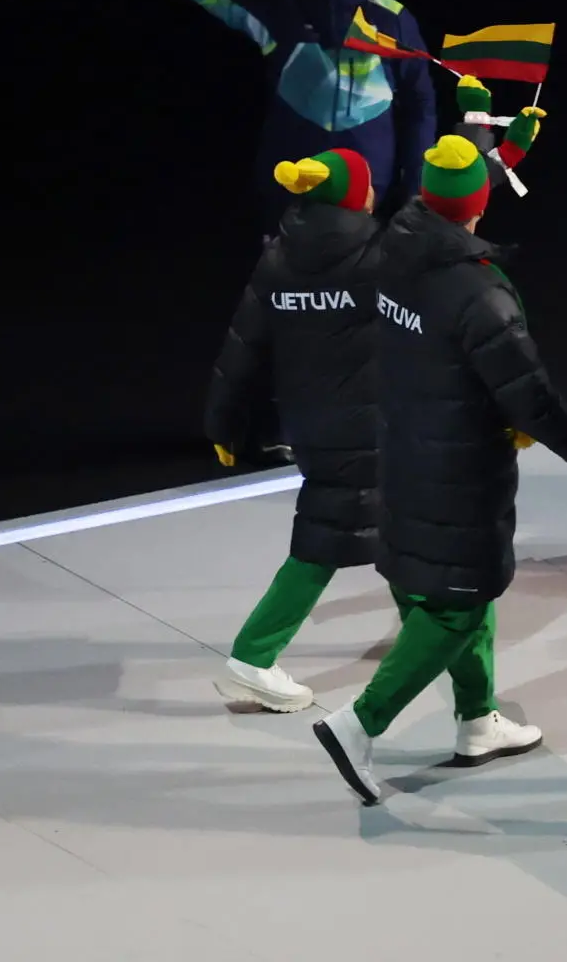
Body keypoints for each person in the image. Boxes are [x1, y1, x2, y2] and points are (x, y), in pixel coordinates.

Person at [311, 130, 567, 805]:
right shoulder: (480, 293)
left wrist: (492, 153)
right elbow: (526, 391)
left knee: (440, 585)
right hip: (462, 465)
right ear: (474, 207)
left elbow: (446, 198)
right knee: (456, 606)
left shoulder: (395, 244)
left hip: (400, 442)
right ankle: (360, 724)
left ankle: (477, 720)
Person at [127, 0, 437, 223]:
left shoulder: (390, 18)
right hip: (291, 201)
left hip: (368, 200)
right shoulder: (276, 13)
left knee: (362, 275)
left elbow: (420, 105)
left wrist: (415, 188)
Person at [201, 146, 383, 712]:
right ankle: (252, 658)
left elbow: (241, 349)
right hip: (374, 425)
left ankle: (441, 635)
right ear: (354, 195)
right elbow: (450, 223)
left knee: (386, 525)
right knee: (330, 542)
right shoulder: (380, 253)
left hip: (309, 427)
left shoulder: (278, 257)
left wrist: (223, 425)